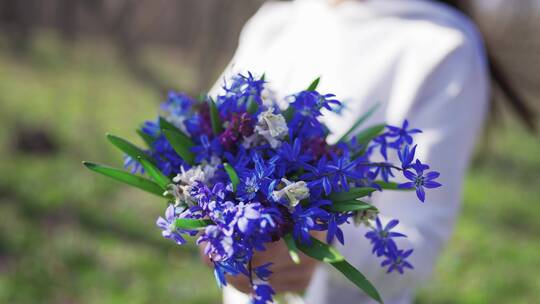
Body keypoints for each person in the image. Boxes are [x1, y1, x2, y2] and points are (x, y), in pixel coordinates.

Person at [204, 0, 531, 303]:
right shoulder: (274, 25)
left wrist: (318, 244)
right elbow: (203, 149)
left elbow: (417, 247)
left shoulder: (441, 45)